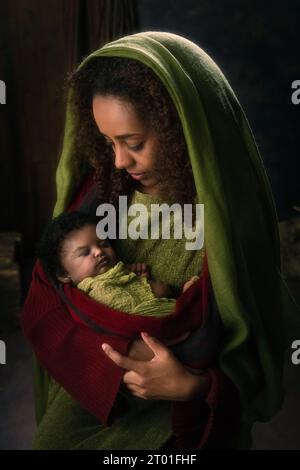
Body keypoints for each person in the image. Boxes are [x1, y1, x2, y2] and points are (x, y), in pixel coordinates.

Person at [21, 31, 300, 450]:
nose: (118, 159)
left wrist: (193, 387)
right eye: (108, 142)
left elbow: (257, 352)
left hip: (172, 418)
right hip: (93, 395)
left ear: (180, 131)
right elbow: (55, 295)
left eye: (134, 143)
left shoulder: (227, 222)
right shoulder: (103, 196)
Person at [37, 210, 199, 316]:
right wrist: (157, 289)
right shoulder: (97, 291)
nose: (99, 252)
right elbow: (136, 309)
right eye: (85, 252)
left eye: (104, 244)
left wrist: (138, 280)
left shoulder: (117, 276)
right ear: (64, 274)